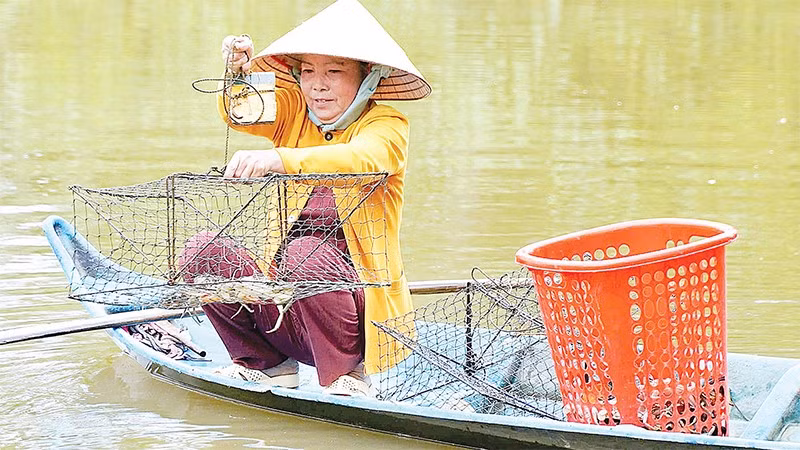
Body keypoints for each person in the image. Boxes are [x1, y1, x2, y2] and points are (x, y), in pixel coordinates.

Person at [196, 0, 430, 396]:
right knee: (203, 251)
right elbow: (241, 113)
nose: (317, 85)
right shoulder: (296, 114)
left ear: (367, 78)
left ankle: (348, 375)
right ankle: (266, 364)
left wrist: (278, 159)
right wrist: (239, 73)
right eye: (307, 72)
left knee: (305, 251)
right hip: (288, 307)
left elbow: (361, 158)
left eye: (334, 72)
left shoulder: (387, 124)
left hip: (357, 319)